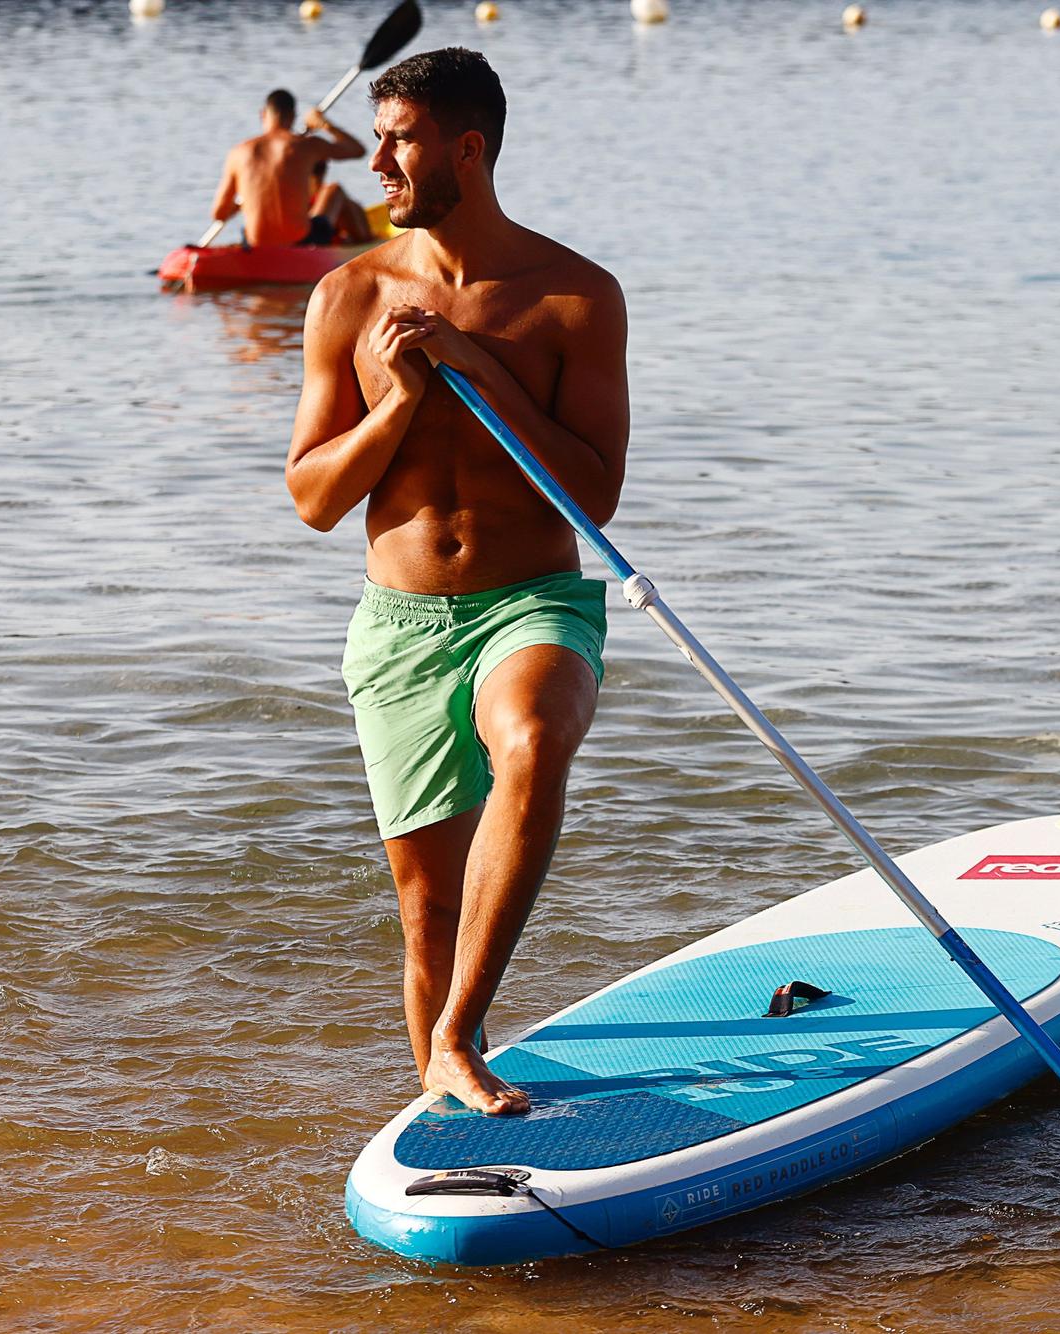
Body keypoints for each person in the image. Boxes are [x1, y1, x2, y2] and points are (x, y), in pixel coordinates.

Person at [286, 48, 630, 1116]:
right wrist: (396, 402)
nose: (373, 159)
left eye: (396, 139)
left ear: (466, 149)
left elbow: (593, 492)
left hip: (531, 602)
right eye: (378, 137)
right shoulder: (348, 295)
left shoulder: (573, 297)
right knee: (427, 908)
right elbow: (310, 495)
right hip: (397, 622)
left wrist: (479, 369)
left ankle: (452, 1035)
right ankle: (446, 1087)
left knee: (532, 737)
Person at [211, 89, 365, 248]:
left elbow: (219, 213)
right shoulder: (306, 145)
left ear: (263, 114)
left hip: (254, 244)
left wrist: (244, 203)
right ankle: (365, 243)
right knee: (334, 191)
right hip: (302, 241)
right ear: (292, 117)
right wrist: (323, 124)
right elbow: (357, 150)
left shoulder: (238, 152)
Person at [308, 160, 375, 246]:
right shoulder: (332, 192)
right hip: (310, 244)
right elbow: (358, 150)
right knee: (335, 190)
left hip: (313, 239)